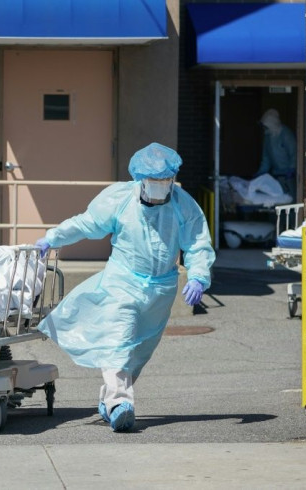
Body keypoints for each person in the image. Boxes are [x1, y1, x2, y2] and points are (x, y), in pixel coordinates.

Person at [35, 142, 215, 432]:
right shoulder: (120, 199)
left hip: (161, 290)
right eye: (154, 181)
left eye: (165, 181)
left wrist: (198, 276)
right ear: (140, 178)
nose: (159, 186)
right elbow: (88, 223)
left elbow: (197, 244)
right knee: (120, 341)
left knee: (139, 352)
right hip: (123, 282)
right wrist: (53, 238)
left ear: (172, 180)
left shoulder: (183, 204)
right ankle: (121, 403)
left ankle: (109, 401)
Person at [254, 108, 297, 199]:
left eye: (266, 126)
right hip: (277, 175)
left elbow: (294, 153)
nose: (264, 129)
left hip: (289, 176)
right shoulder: (268, 136)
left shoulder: (286, 134)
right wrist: (261, 172)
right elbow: (266, 158)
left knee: (290, 199)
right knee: (276, 199)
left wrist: (292, 169)